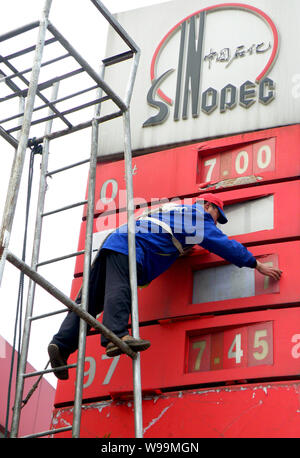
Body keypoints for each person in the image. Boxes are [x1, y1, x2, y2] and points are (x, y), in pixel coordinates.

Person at [48, 193, 282, 380]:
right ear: (207, 205)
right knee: (121, 288)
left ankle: (61, 344)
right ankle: (116, 335)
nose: (215, 222)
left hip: (117, 243)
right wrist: (255, 264)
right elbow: (222, 244)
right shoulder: (197, 216)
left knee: (89, 303)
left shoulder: (177, 213)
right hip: (129, 247)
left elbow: (168, 236)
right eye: (216, 216)